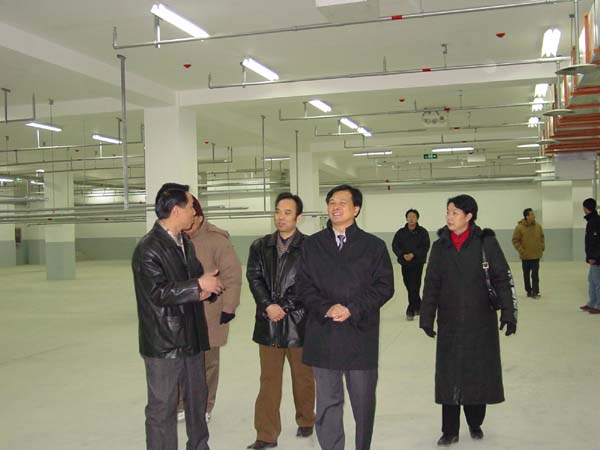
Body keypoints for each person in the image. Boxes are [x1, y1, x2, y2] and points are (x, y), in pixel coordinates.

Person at [296, 184, 395, 450]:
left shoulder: (373, 246)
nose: (335, 207)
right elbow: (302, 285)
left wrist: (352, 308)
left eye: (342, 202)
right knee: (327, 404)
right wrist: (326, 308)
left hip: (360, 335)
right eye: (331, 202)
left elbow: (384, 286)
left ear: (356, 209)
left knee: (363, 403)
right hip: (323, 333)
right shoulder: (312, 245)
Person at [131, 183, 224, 450]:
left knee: (197, 401)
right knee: (163, 407)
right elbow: (157, 292)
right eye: (191, 206)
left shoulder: (185, 243)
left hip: (192, 336)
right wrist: (198, 285)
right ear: (175, 210)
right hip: (164, 343)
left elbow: (194, 279)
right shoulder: (148, 248)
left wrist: (207, 290)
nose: (194, 211)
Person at [420, 194, 517, 447]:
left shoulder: (486, 243)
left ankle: (475, 422)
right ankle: (449, 430)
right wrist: (427, 316)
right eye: (447, 212)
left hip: (480, 321)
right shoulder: (439, 247)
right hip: (449, 321)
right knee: (449, 375)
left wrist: (509, 312)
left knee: (477, 373)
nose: (449, 217)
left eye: (454, 212)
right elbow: (431, 283)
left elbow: (502, 278)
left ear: (469, 216)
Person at [246, 192, 316, 450]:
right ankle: (266, 434)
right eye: (277, 211)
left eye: (287, 212)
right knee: (269, 381)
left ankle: (306, 418)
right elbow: (254, 277)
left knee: (303, 377)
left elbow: (309, 283)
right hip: (269, 323)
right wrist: (268, 305)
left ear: (298, 217)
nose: (281, 217)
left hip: (299, 323)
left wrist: (283, 306)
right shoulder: (259, 246)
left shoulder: (310, 247)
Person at [182, 196, 242, 422]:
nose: (187, 226)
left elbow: (232, 275)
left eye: (191, 219)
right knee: (181, 361)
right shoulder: (175, 239)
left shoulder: (217, 240)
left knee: (208, 363)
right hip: (182, 312)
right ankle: (181, 404)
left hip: (210, 311)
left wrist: (229, 307)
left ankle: (205, 406)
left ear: (198, 216)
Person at [392, 208, 431, 320]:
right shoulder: (401, 233)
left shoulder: (422, 232)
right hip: (405, 263)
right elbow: (395, 245)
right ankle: (419, 306)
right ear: (406, 218)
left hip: (417, 263)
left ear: (417, 218)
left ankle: (410, 310)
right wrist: (402, 254)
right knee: (408, 285)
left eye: (413, 216)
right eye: (409, 216)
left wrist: (414, 254)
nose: (411, 219)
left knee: (414, 285)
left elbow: (425, 246)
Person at [512, 208, 545, 298]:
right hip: (525, 256)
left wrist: (542, 247)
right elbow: (515, 240)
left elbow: (542, 237)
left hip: (536, 255)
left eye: (533, 214)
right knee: (526, 275)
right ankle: (529, 291)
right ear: (527, 216)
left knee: (535, 275)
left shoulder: (538, 227)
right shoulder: (519, 227)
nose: (534, 216)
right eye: (532, 214)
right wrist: (521, 250)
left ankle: (535, 292)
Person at [581, 198, 600, 314]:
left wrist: (594, 257)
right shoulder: (592, 220)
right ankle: (592, 303)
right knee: (591, 280)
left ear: (586, 208)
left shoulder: (595, 221)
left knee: (597, 282)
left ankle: (598, 305)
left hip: (597, 258)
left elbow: (596, 242)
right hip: (594, 257)